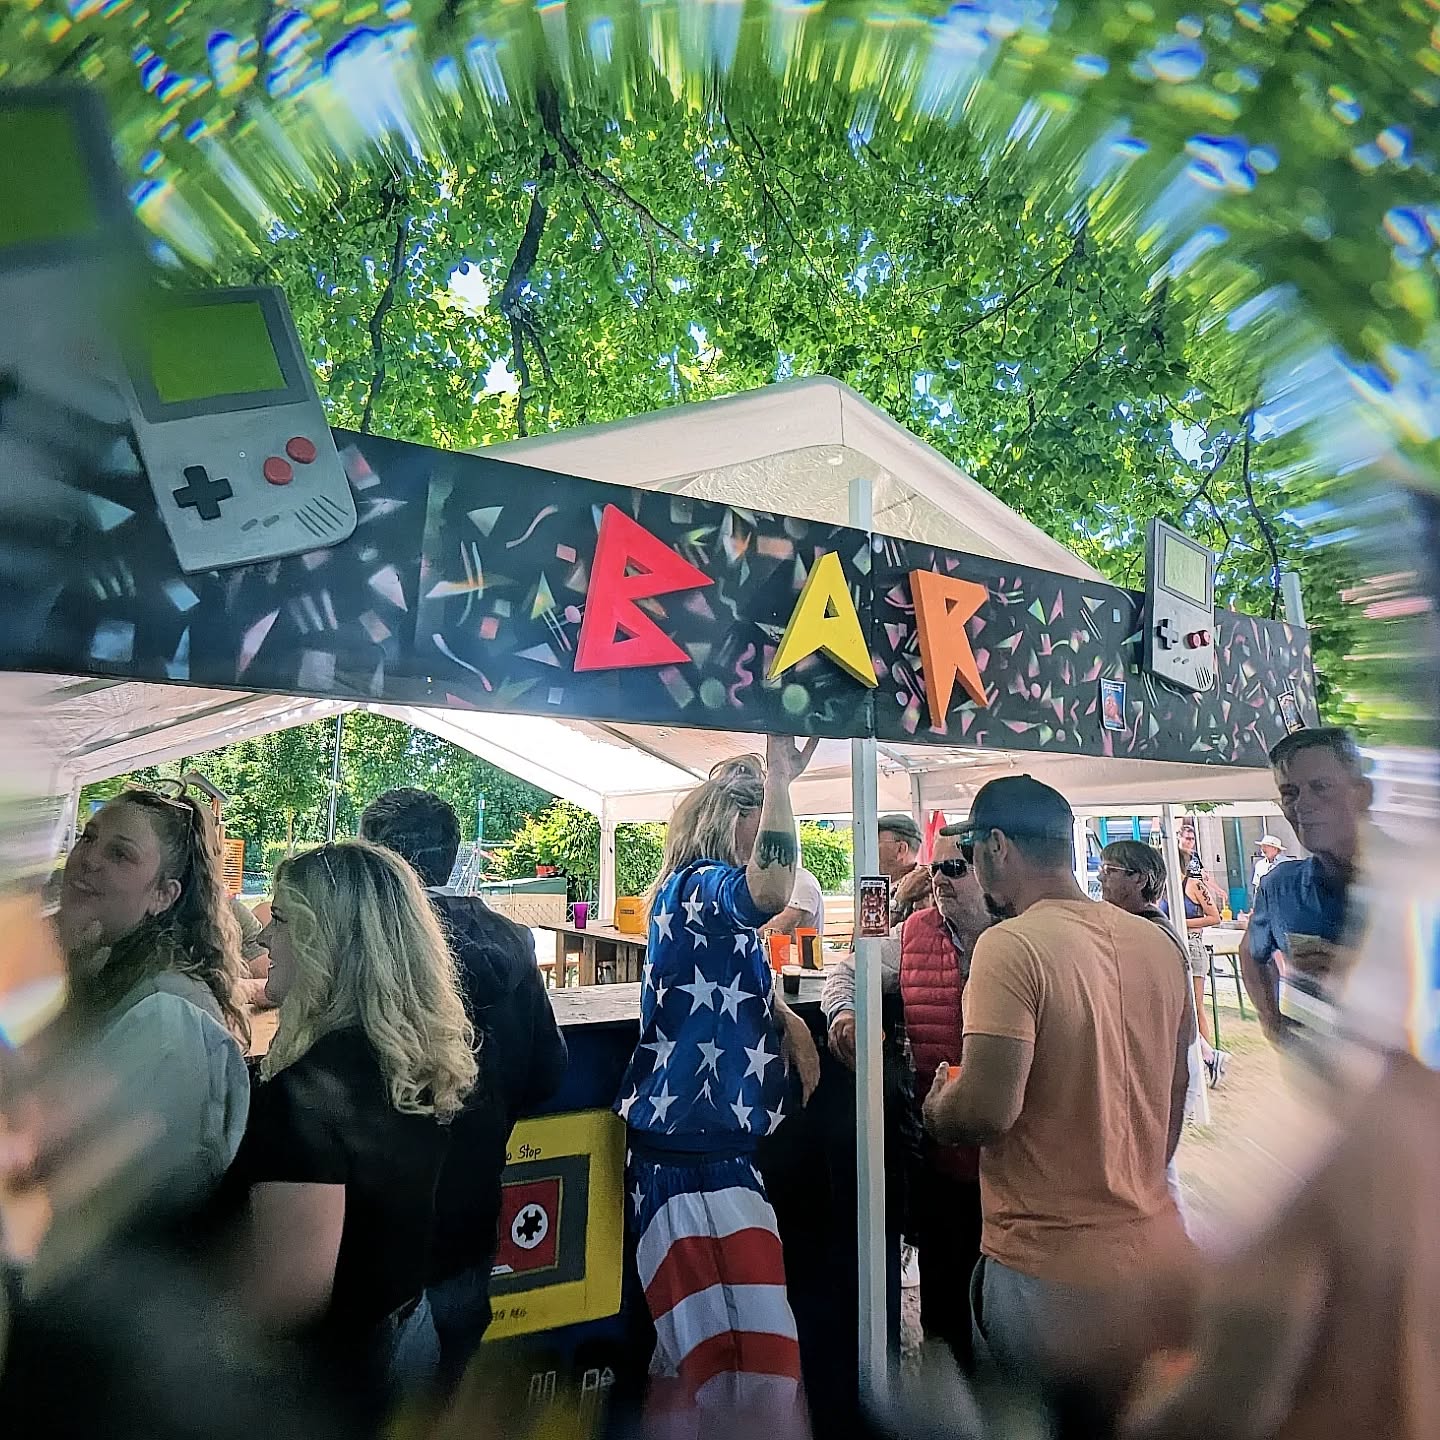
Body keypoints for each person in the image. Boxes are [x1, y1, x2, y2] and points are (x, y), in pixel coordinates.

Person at [923, 776, 1193, 1384]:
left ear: (997, 846)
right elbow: (1175, 1097)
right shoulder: (1158, 945)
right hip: (1157, 1248)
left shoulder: (1010, 946)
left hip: (1049, 1270)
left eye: (970, 852)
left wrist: (938, 1107)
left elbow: (985, 1111)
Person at [226, 841, 476, 1415]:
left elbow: (285, 1300)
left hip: (330, 1387)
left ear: (328, 941)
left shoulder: (306, 1096)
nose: (265, 939)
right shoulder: (408, 1063)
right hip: (408, 1333)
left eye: (281, 920)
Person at [616, 736, 821, 1428]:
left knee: (706, 1366)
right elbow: (770, 890)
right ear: (731, 822)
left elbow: (733, 968)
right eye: (759, 821)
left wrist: (783, 1014)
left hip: (704, 1153)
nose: (766, 838)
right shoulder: (702, 886)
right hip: (691, 1162)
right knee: (745, 1370)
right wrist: (782, 780)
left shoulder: (694, 896)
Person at [358, 787, 568, 1379]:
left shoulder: (369, 943)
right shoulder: (512, 940)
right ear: (451, 855)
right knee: (449, 1389)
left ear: (378, 858)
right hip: (472, 1212)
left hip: (374, 1232)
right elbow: (548, 1072)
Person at [51, 784, 250, 1234]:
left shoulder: (168, 1016)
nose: (89, 859)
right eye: (88, 837)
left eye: (120, 854)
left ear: (163, 895)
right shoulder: (103, 966)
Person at [892, 828, 992, 1370]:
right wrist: (842, 1013)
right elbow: (853, 971)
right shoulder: (915, 931)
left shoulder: (1021, 933)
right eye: (934, 869)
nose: (939, 880)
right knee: (944, 1307)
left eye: (954, 869)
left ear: (988, 870)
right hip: (940, 1151)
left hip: (1015, 1162)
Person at [1240, 728, 1370, 1040]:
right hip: (1325, 1061)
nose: (1301, 805)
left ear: (1362, 793)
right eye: (1290, 793)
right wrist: (1272, 1022)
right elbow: (1251, 952)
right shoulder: (1280, 887)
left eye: (1320, 787)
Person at [877, 813, 931, 927]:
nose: (868, 851)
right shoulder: (877, 888)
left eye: (875, 844)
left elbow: (875, 935)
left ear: (901, 849)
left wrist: (898, 902)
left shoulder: (924, 891)